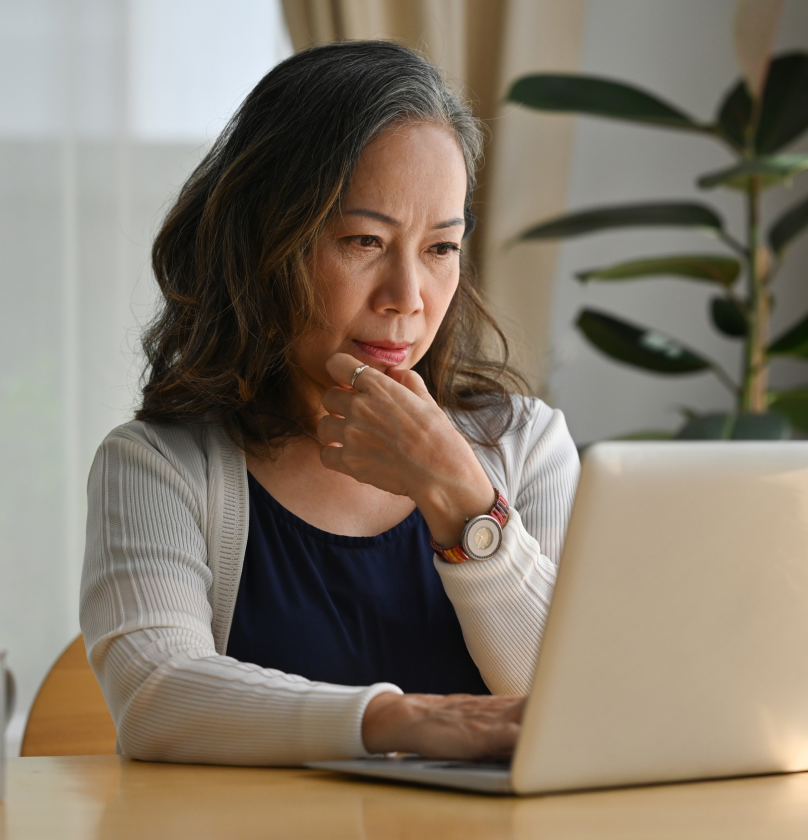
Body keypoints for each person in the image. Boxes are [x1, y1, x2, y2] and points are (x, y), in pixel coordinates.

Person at [80, 40, 579, 766]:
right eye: (364, 240)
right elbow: (156, 695)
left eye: (441, 248)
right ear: (266, 245)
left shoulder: (525, 445)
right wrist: (404, 721)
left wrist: (462, 498)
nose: (407, 298)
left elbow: (570, 700)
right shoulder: (160, 465)